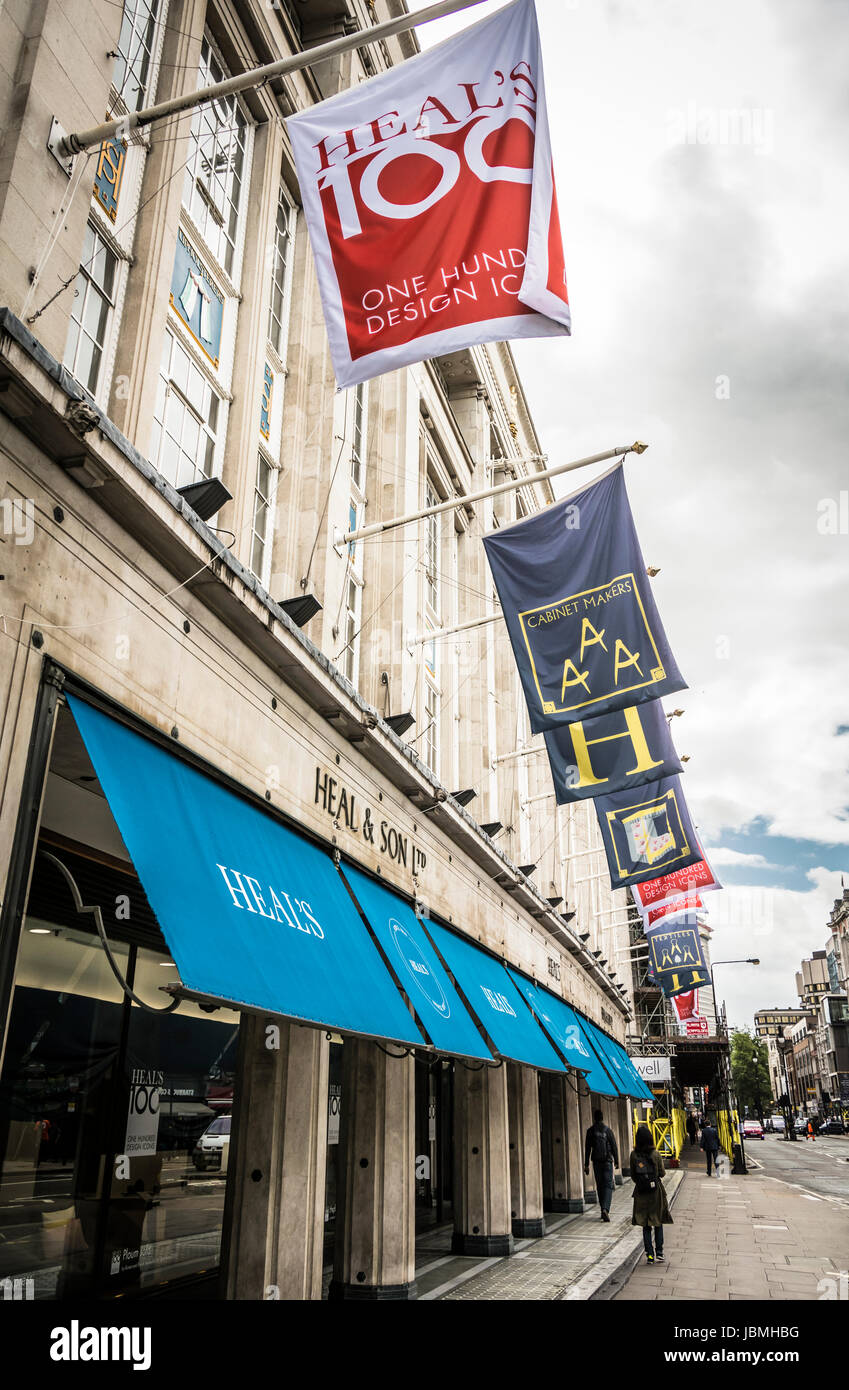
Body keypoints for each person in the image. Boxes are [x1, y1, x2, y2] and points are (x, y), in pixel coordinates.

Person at [629, 1123, 673, 1263]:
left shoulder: (634, 1155)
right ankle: (659, 1252)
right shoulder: (656, 1154)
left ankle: (649, 1254)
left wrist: (642, 1181)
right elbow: (662, 1172)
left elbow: (633, 1175)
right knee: (657, 1221)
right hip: (656, 1193)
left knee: (645, 1224)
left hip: (641, 1193)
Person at [584, 1108, 619, 1222]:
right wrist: (617, 1161)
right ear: (602, 1118)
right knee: (608, 1185)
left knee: (599, 1185)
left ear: (594, 1118)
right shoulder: (608, 1130)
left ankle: (602, 1209)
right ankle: (605, 1209)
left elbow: (587, 1149)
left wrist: (586, 1164)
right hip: (608, 1161)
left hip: (596, 1162)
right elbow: (614, 1146)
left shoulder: (590, 1131)